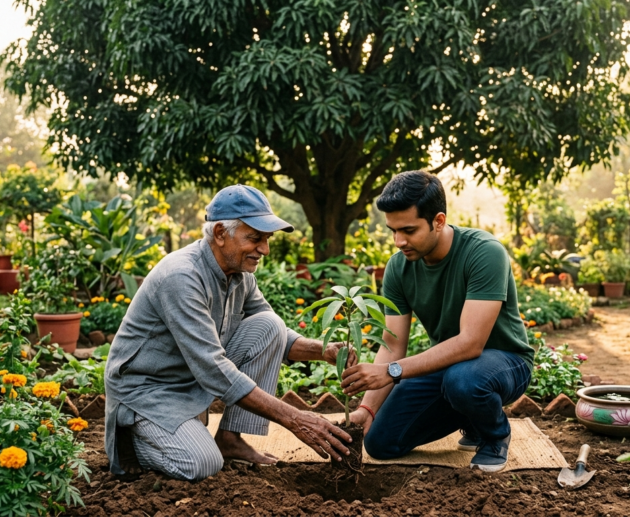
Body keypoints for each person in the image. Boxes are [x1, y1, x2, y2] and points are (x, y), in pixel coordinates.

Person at [105, 184, 354, 481]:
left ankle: (229, 440)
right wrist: (294, 418)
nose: (265, 249)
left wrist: (322, 351)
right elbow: (213, 368)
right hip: (148, 391)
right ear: (221, 233)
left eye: (267, 239)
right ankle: (130, 441)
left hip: (189, 379)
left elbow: (273, 333)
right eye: (255, 238)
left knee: (269, 325)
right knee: (201, 464)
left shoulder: (239, 273)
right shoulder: (182, 277)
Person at [342, 170, 533, 472]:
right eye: (393, 230)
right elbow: (393, 345)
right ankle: (469, 417)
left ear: (439, 221)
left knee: (465, 381)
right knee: (380, 443)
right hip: (450, 368)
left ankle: (494, 436)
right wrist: (367, 408)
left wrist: (392, 372)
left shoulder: (484, 253)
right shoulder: (398, 268)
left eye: (408, 230)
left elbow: (471, 343)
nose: (398, 241)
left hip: (506, 362)